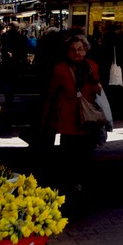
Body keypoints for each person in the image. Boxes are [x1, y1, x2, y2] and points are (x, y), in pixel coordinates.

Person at [43, 34, 104, 202]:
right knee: (68, 156)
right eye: (73, 50)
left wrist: (97, 88)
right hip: (68, 119)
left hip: (88, 120)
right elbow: (51, 94)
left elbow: (98, 91)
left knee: (86, 155)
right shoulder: (60, 69)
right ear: (67, 51)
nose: (77, 53)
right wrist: (47, 119)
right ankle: (70, 186)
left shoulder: (93, 67)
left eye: (80, 49)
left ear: (86, 50)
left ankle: (82, 185)